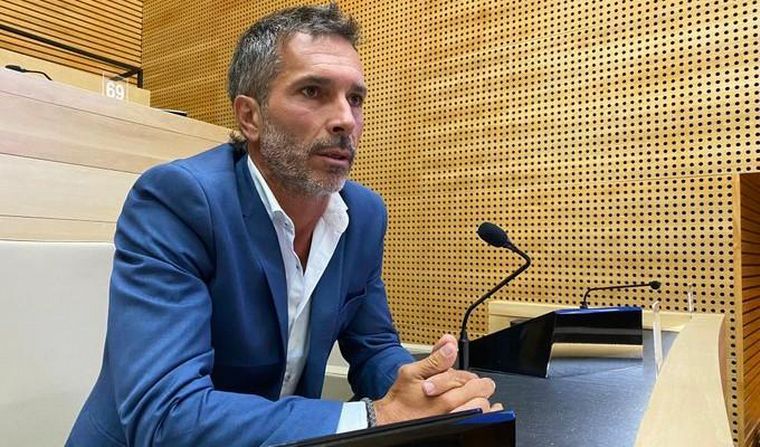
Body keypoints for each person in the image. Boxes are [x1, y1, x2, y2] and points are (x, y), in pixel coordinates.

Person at [67, 4, 499, 446]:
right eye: (313, 91)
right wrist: (377, 416)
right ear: (250, 117)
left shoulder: (364, 214)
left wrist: (429, 392)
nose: (345, 120)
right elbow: (167, 415)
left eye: (355, 99)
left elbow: (373, 346)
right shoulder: (179, 201)